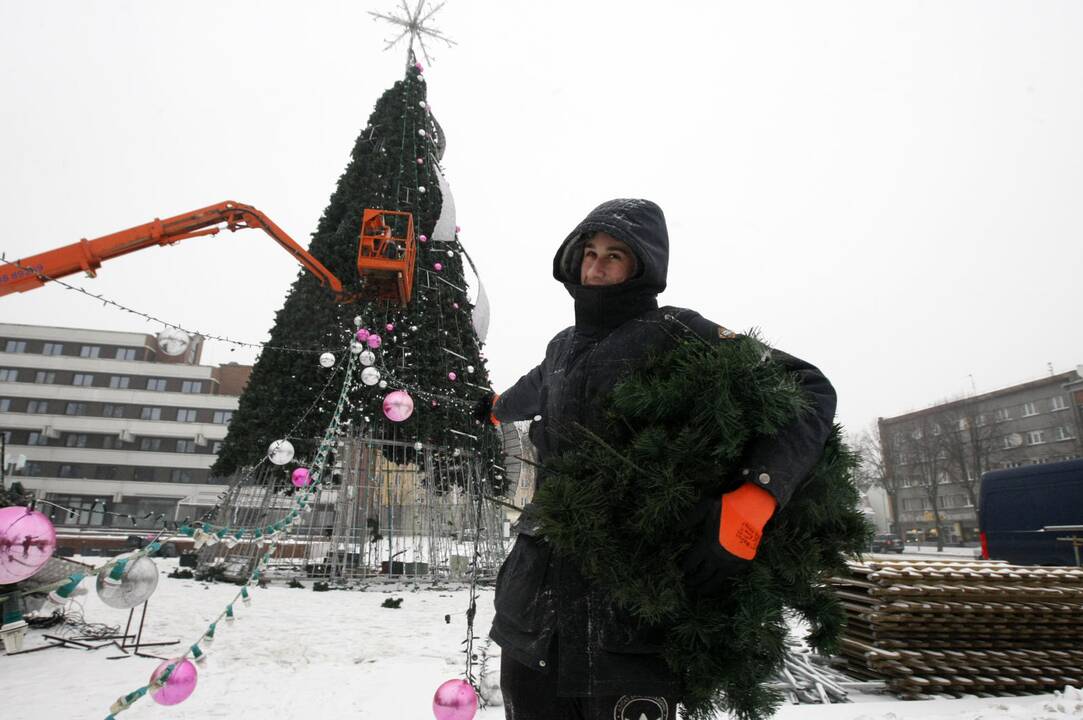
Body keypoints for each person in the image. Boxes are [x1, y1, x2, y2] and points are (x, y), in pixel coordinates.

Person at [480, 199, 836, 720]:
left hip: (631, 604)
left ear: (642, 265)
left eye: (614, 255)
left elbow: (808, 386)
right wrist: (493, 410)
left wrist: (755, 495)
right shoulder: (562, 347)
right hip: (538, 605)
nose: (596, 266)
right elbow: (530, 391)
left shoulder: (678, 333)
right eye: (589, 253)